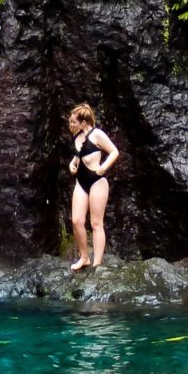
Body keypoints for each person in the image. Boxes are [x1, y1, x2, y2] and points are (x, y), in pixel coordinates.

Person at [67, 103, 119, 271]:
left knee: (96, 223)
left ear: (84, 122)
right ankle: (84, 257)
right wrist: (72, 164)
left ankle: (97, 263)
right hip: (81, 182)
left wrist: (104, 167)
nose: (71, 124)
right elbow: (78, 156)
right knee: (77, 221)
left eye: (74, 121)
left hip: (97, 181)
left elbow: (114, 151)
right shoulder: (77, 136)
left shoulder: (97, 134)